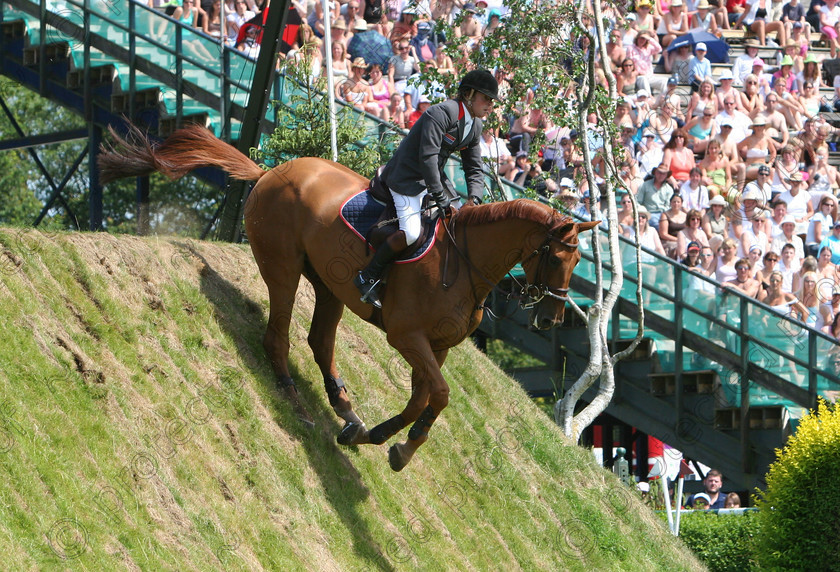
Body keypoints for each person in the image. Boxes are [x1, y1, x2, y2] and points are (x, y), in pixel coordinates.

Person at [354, 69, 497, 308]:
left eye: (492, 101)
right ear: (469, 95)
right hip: (406, 176)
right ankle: (368, 276)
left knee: (459, 226)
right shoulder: (440, 113)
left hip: (434, 178)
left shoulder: (475, 125)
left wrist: (475, 198)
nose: (490, 105)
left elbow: (474, 167)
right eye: (487, 98)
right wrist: (440, 196)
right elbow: (428, 157)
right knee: (410, 232)